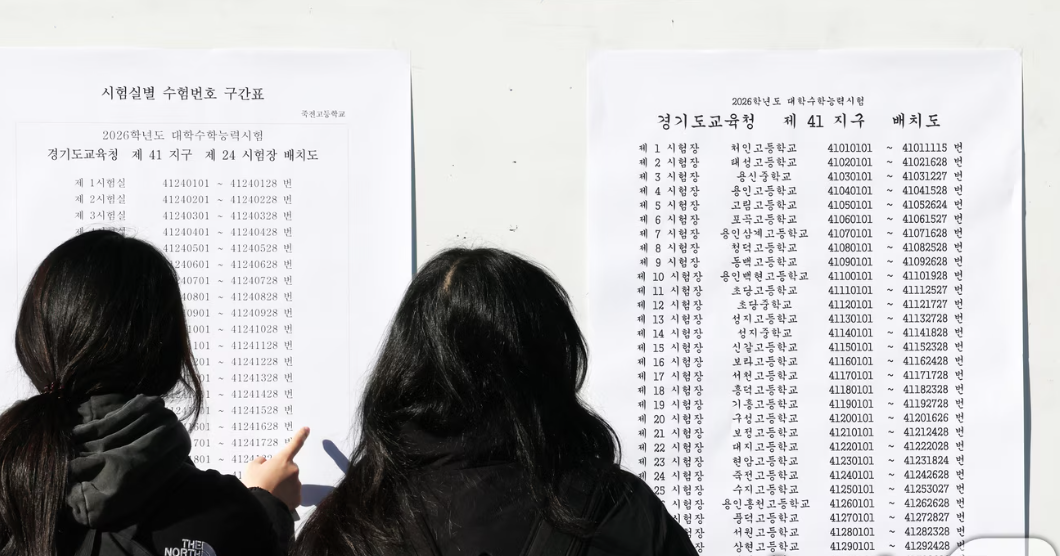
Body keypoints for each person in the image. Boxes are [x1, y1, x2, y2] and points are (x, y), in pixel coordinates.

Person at [293, 248, 697, 556]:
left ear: (406, 362)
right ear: (548, 359)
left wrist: (268, 512)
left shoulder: (352, 524)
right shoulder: (618, 510)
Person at [0, 230, 307, 556]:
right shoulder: (228, 516)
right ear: (166, 350)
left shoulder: (12, 484)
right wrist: (268, 508)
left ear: (31, 341)